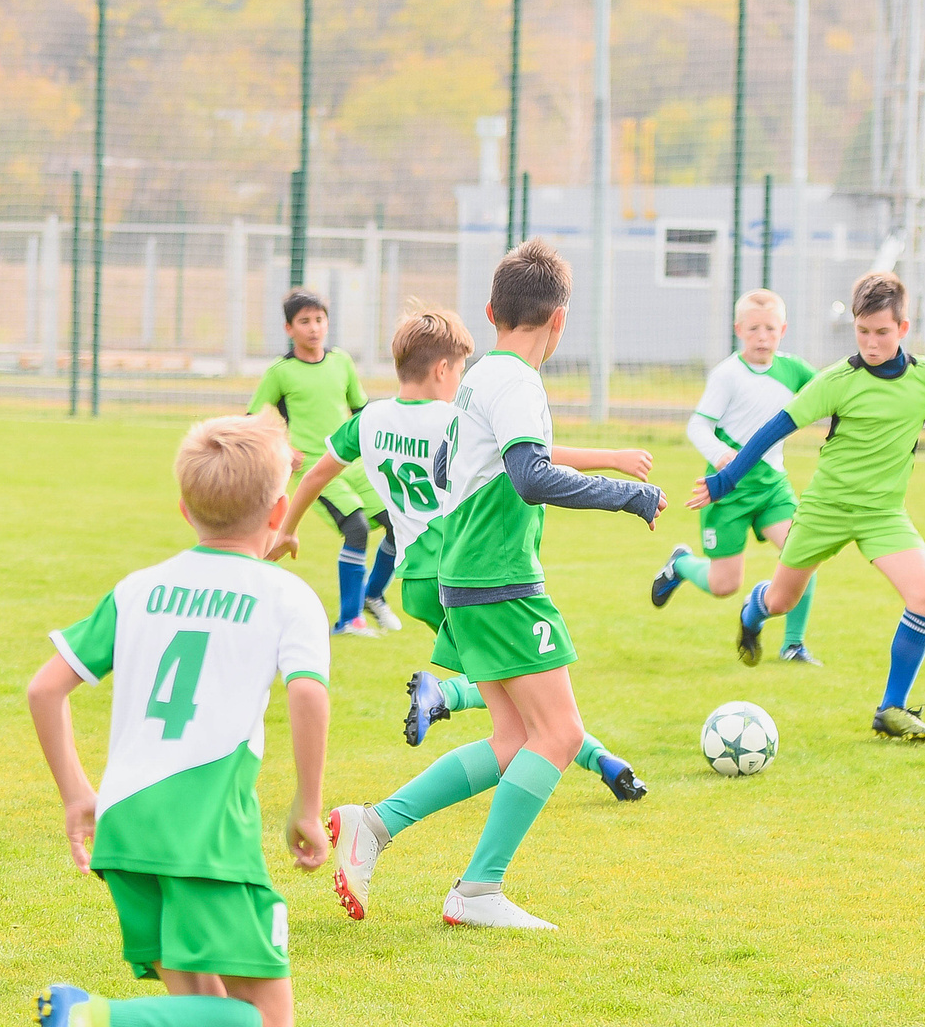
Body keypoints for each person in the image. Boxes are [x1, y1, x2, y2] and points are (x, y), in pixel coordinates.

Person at [27, 412, 331, 1027]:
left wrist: (75, 793)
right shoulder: (286, 593)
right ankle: (95, 1019)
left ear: (183, 506)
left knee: (203, 1016)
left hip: (128, 826)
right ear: (278, 514)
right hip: (207, 832)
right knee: (266, 1022)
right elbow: (308, 691)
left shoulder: (140, 586)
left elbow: (44, 688)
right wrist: (307, 807)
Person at [325, 239, 664, 931]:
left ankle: (375, 825)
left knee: (515, 739)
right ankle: (478, 889)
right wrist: (625, 496)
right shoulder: (516, 383)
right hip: (499, 576)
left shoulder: (481, 377)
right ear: (560, 321)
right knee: (561, 733)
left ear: (491, 310)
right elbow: (530, 475)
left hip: (467, 571)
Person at [270, 306, 652, 815]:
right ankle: (446, 700)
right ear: (443, 371)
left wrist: (287, 528)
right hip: (467, 567)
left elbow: (316, 475)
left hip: (417, 583)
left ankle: (599, 760)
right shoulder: (453, 418)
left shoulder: (368, 421)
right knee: (532, 701)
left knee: (519, 699)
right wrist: (612, 458)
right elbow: (532, 452)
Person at [686, 270, 925, 739]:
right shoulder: (838, 379)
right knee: (780, 599)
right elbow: (774, 429)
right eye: (863, 332)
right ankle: (752, 613)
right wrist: (724, 479)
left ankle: (891, 709)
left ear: (903, 328)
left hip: (883, 514)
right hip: (824, 512)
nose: (872, 343)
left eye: (882, 332)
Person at [649, 289, 822, 665]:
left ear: (783, 330)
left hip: (772, 488)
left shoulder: (794, 370)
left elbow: (830, 391)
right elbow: (698, 425)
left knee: (803, 554)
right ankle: (680, 564)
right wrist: (719, 454)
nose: (763, 336)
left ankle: (793, 645)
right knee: (725, 585)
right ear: (739, 329)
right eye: (754, 329)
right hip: (727, 493)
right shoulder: (727, 374)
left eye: (771, 329)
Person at [247, 287, 397, 636]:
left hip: (354, 463)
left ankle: (372, 595)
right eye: (304, 322)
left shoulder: (341, 361)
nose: (313, 328)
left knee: (397, 525)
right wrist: (284, 447)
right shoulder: (280, 372)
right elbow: (254, 418)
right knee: (357, 529)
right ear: (289, 329)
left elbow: (361, 409)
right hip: (318, 468)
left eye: (319, 320)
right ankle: (349, 620)